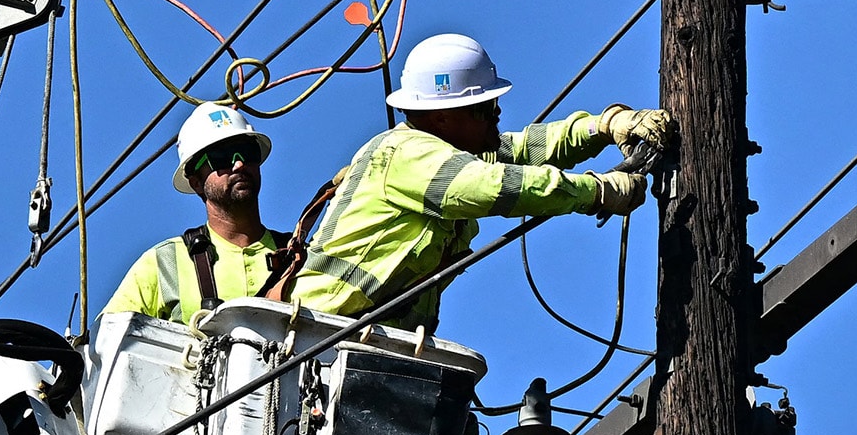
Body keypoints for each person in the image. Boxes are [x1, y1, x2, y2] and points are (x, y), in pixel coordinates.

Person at [288, 33, 673, 328]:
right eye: (484, 107)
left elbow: (524, 149)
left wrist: (604, 125)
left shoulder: (449, 152)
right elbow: (496, 186)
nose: (497, 114)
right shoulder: (407, 154)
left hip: (368, 340)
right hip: (320, 333)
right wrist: (596, 191)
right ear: (442, 117)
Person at [102, 103, 289, 325]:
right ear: (196, 182)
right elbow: (107, 335)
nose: (239, 164)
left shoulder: (298, 256)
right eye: (221, 157)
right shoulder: (165, 262)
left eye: (248, 152)